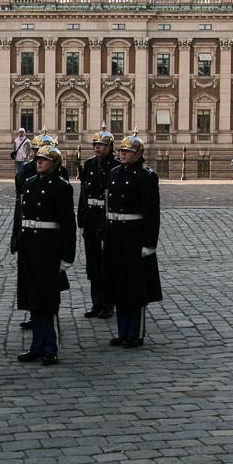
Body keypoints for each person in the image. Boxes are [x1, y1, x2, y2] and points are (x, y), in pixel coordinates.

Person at [12, 143, 76, 366]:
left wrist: (67, 256)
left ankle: (51, 347)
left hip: (49, 247)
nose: (39, 162)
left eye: (44, 159)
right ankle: (36, 346)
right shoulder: (29, 183)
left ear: (55, 163)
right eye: (38, 158)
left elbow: (68, 225)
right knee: (33, 298)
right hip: (30, 245)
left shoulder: (61, 187)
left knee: (47, 300)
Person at [102, 133, 162, 349]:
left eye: (127, 151)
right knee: (118, 284)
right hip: (115, 234)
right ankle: (123, 331)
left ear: (138, 154)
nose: (123, 154)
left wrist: (150, 243)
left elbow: (152, 213)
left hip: (134, 235)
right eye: (122, 151)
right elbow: (108, 205)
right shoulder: (114, 173)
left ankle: (135, 333)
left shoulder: (146, 176)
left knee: (135, 287)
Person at [13, 130, 68, 331]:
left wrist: (66, 252)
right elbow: (20, 205)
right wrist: (16, 236)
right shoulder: (28, 172)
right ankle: (34, 316)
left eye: (41, 152)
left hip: (48, 237)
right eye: (35, 151)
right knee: (30, 281)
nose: (37, 156)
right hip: (30, 235)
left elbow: (64, 215)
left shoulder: (59, 177)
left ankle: (48, 320)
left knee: (49, 285)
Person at [77, 125, 119, 320]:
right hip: (92, 215)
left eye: (101, 144)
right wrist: (81, 216)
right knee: (93, 261)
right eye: (95, 144)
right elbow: (84, 192)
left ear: (109, 146)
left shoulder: (116, 166)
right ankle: (97, 302)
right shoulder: (89, 164)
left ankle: (109, 302)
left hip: (107, 215)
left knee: (108, 261)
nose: (97, 147)